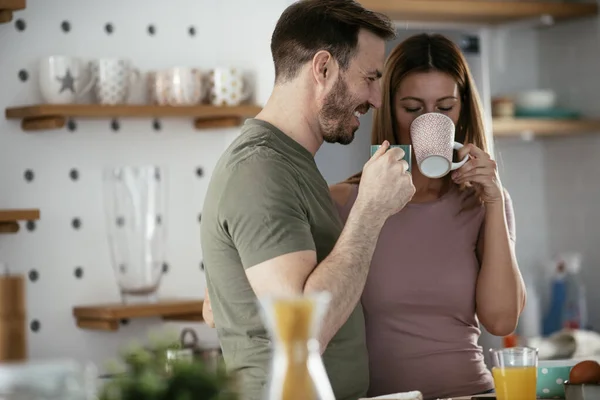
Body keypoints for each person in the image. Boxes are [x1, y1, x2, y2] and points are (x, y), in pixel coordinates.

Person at [199, 1, 415, 400]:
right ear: (323, 68)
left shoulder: (288, 162)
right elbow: (302, 334)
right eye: (369, 78)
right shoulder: (260, 168)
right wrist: (370, 211)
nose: (377, 98)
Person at [329, 33, 527, 399]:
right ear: (390, 109)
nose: (430, 120)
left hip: (472, 392)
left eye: (445, 107)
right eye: (413, 108)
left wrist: (495, 201)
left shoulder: (484, 204)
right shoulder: (345, 201)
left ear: (463, 109)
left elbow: (501, 321)